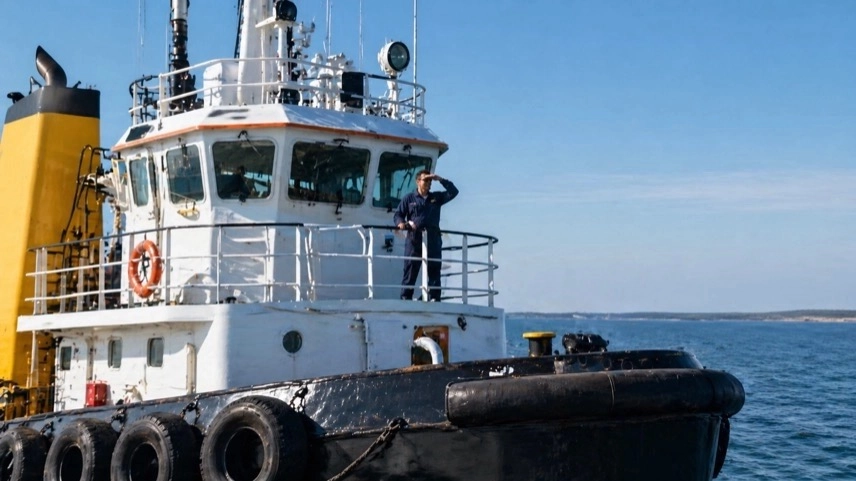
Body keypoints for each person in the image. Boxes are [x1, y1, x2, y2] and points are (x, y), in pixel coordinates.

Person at [393, 170, 459, 301]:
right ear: (418, 181)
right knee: (410, 270)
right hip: (414, 240)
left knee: (434, 270)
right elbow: (398, 214)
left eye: (430, 181)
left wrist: (439, 179)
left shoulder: (436, 198)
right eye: (425, 180)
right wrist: (401, 223)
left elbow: (453, 192)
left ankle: (433, 298)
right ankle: (406, 298)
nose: (428, 183)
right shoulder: (409, 199)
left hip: (433, 240)